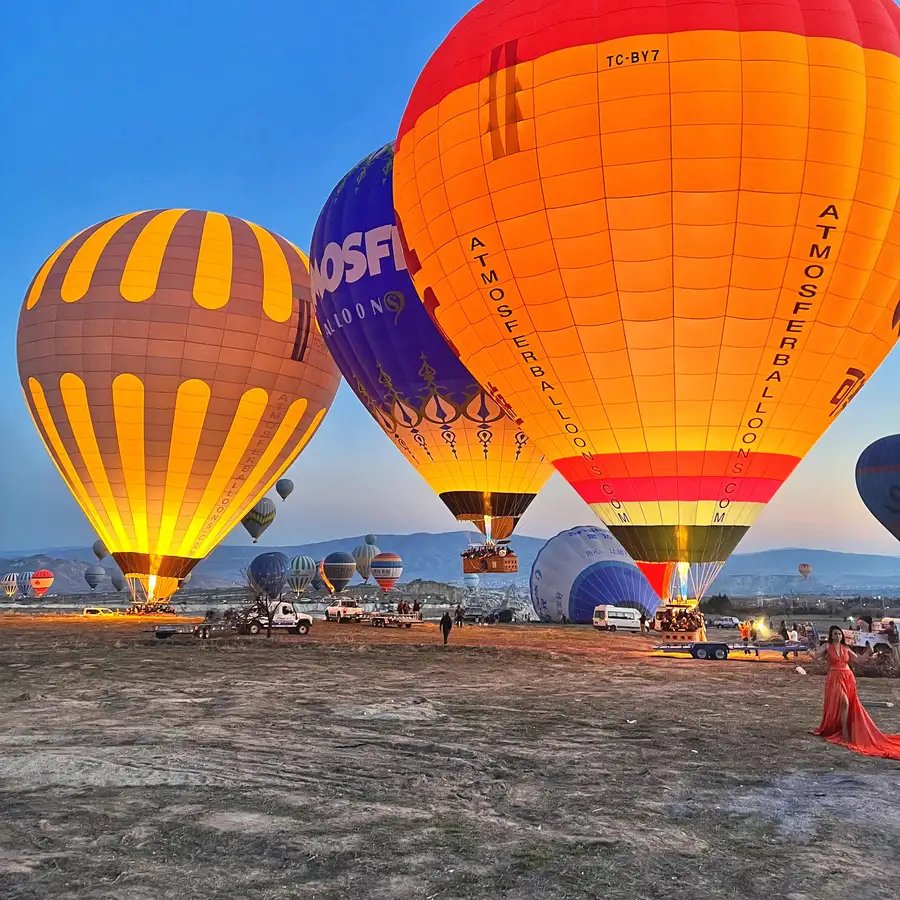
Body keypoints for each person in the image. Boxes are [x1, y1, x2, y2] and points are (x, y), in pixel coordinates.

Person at [809, 626, 900, 758]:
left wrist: (869, 651)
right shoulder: (827, 647)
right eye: (835, 634)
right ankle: (844, 730)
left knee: (846, 703)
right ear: (831, 635)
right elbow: (816, 656)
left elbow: (859, 660)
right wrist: (809, 652)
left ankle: (845, 728)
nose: (838, 636)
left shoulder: (846, 648)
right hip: (834, 677)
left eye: (840, 633)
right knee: (844, 702)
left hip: (848, 677)